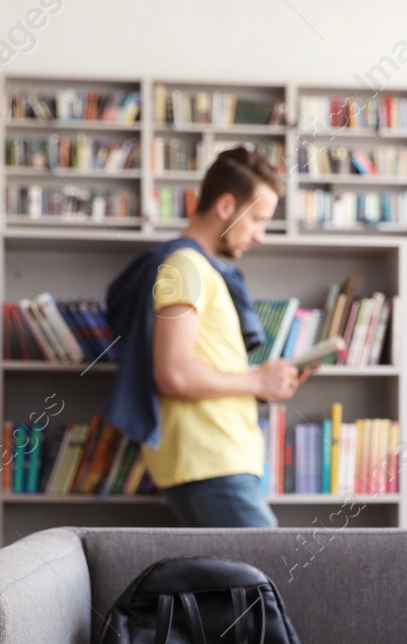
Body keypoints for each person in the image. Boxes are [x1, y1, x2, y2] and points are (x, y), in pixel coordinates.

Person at [103, 146, 308, 528]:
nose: (260, 236)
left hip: (218, 465)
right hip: (211, 465)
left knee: (244, 587)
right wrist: (257, 380)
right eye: (258, 220)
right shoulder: (185, 267)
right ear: (227, 206)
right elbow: (174, 373)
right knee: (276, 582)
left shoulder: (201, 270)